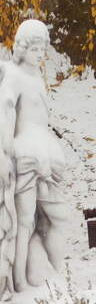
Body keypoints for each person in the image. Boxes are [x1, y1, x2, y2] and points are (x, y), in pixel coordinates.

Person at [0, 19, 69, 296]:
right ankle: (20, 284)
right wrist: (4, 155)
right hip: (26, 157)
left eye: (43, 48)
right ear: (22, 48)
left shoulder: (36, 78)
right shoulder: (13, 76)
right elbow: (5, 116)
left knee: (59, 218)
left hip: (46, 157)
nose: (41, 53)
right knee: (24, 223)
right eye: (35, 48)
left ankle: (56, 276)